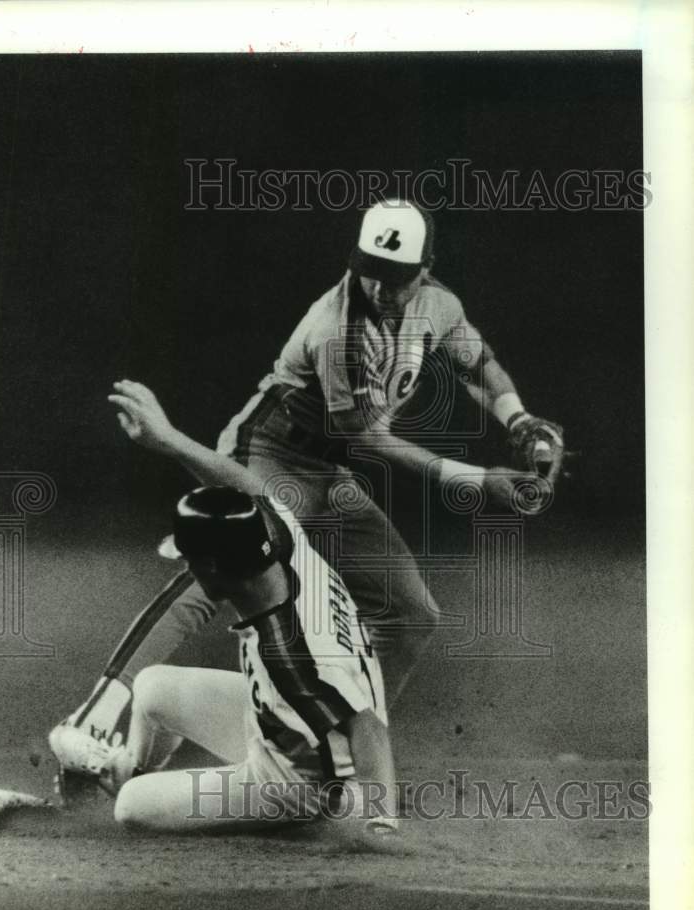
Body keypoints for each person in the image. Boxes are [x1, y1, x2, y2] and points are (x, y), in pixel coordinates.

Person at [53, 199, 562, 762]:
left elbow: (478, 364)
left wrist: (519, 418)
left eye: (396, 277)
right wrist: (477, 478)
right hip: (271, 449)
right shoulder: (336, 330)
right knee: (219, 571)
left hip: (328, 473)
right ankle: (92, 714)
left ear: (426, 268)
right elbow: (364, 435)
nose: (379, 287)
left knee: (412, 613)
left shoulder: (438, 305)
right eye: (370, 268)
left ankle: (337, 753)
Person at [51, 380, 401, 851]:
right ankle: (121, 765)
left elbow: (368, 730)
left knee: (132, 807)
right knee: (152, 685)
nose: (187, 568)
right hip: (285, 725)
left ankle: (307, 820)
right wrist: (167, 438)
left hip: (297, 783)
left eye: (190, 560)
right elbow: (246, 487)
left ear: (213, 567)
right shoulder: (281, 545)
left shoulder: (293, 649)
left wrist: (379, 829)